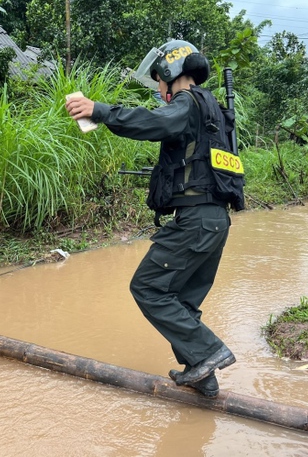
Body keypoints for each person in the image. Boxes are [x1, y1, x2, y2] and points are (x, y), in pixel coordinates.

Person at [65, 40, 236, 398]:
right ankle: (202, 376)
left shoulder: (188, 103)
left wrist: (99, 110)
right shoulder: (214, 111)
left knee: (148, 287)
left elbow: (154, 123)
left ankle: (208, 352)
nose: (159, 90)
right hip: (215, 221)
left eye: (159, 81)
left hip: (195, 221)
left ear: (172, 74)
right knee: (183, 301)